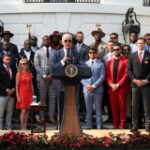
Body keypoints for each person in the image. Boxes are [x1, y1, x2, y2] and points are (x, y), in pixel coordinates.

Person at [52, 33, 80, 126]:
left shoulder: (76, 53)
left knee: (72, 106)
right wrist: (62, 61)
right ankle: (61, 125)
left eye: (70, 41)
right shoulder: (57, 53)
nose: (68, 42)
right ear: (62, 42)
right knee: (60, 106)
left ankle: (71, 125)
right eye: (66, 41)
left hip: (72, 84)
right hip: (60, 84)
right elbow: (53, 68)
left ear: (72, 42)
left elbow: (80, 66)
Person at [128, 38, 150, 132]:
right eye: (139, 43)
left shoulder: (149, 55)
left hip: (146, 84)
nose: (140, 45)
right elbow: (129, 70)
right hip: (135, 84)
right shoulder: (132, 56)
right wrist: (134, 80)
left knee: (147, 106)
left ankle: (148, 125)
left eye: (142, 43)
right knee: (135, 105)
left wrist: (146, 80)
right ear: (137, 45)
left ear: (145, 44)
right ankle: (135, 125)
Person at [106, 45, 130, 129]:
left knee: (123, 108)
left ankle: (122, 125)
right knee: (114, 108)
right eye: (114, 49)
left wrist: (118, 84)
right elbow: (108, 75)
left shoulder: (126, 61)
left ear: (121, 50)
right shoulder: (110, 62)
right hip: (112, 89)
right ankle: (116, 125)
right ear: (112, 51)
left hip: (122, 88)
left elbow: (126, 74)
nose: (116, 51)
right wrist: (111, 84)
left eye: (118, 49)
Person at [81, 46, 105, 129]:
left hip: (97, 89)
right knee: (88, 109)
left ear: (97, 53)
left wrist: (94, 86)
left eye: (94, 52)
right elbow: (81, 77)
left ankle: (99, 126)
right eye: (90, 52)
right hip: (87, 89)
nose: (92, 54)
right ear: (88, 54)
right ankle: (88, 126)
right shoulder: (84, 64)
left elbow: (102, 77)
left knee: (98, 109)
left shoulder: (101, 64)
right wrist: (88, 86)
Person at [34, 35, 56, 125]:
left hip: (52, 79)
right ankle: (42, 118)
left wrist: (51, 76)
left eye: (48, 39)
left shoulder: (55, 52)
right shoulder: (38, 52)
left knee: (52, 99)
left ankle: (51, 117)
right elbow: (36, 65)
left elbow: (57, 65)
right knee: (42, 99)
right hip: (42, 79)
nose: (46, 41)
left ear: (50, 41)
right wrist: (44, 76)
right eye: (45, 39)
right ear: (42, 41)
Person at [16, 58, 34, 130]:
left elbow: (32, 85)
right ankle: (22, 127)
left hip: (29, 93)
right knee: (23, 111)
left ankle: (25, 126)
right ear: (20, 65)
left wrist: (33, 95)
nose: (25, 65)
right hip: (22, 93)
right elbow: (17, 85)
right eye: (24, 63)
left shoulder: (30, 74)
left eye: (26, 63)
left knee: (27, 111)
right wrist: (17, 95)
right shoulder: (18, 74)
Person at [0, 54, 15, 130]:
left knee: (10, 112)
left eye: (9, 59)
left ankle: (8, 127)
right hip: (2, 94)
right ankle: (1, 128)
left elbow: (14, 81)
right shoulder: (0, 68)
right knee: (1, 113)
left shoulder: (12, 68)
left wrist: (13, 89)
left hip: (11, 94)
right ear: (3, 60)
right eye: (6, 59)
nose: (8, 61)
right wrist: (6, 90)